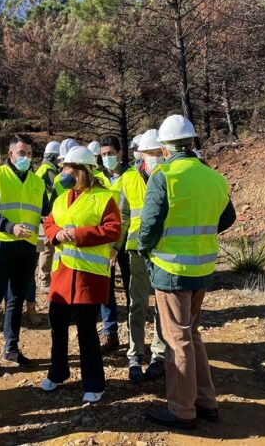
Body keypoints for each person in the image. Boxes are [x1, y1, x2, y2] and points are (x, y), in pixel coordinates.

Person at [139, 116, 236, 430]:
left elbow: (150, 225)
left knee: (177, 339)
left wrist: (145, 249)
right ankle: (206, 402)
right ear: (192, 143)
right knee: (191, 334)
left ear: (165, 147)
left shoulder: (164, 177)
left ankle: (182, 410)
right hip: (202, 268)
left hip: (171, 269)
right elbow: (227, 217)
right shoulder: (214, 177)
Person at [42, 146, 121, 403]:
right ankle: (58, 372)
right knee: (58, 325)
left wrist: (76, 235)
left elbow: (112, 230)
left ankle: (94, 382)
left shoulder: (104, 197)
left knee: (87, 330)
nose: (64, 173)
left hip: (88, 276)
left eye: (68, 168)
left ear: (83, 171)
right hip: (62, 274)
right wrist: (55, 234)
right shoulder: (61, 197)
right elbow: (50, 222)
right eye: (63, 167)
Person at [0, 134, 49, 375]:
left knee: (16, 298)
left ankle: (11, 348)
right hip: (0, 243)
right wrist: (9, 227)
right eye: (22, 153)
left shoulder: (37, 182)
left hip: (26, 246)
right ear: (11, 154)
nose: (26, 157)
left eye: (29, 154)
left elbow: (47, 212)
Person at [120, 130, 167, 383]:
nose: (156, 158)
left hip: (163, 250)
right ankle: (135, 355)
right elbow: (123, 216)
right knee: (137, 303)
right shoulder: (127, 180)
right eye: (152, 154)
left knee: (162, 305)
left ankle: (159, 355)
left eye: (160, 153)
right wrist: (113, 248)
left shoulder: (170, 176)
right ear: (141, 156)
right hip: (136, 250)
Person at [96, 135, 132, 354]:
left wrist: (116, 246)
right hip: (103, 242)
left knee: (131, 290)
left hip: (127, 242)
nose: (107, 158)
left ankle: (133, 334)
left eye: (110, 153)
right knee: (105, 290)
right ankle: (110, 334)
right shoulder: (97, 179)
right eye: (103, 155)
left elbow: (127, 216)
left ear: (120, 153)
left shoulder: (131, 177)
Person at [34, 141, 61, 295]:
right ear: (54, 156)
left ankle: (43, 277)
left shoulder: (44, 169)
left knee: (45, 247)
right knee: (47, 248)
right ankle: (44, 280)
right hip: (46, 215)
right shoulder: (49, 171)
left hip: (44, 214)